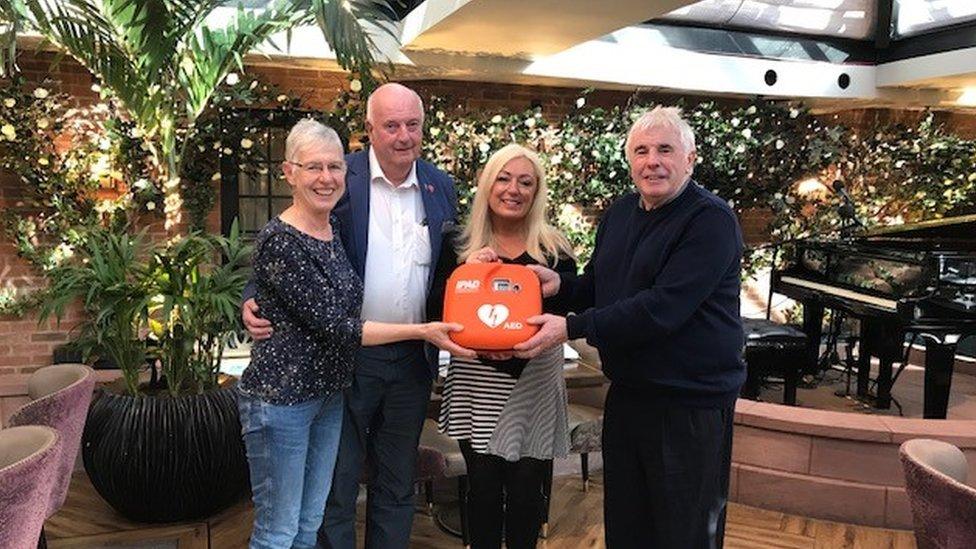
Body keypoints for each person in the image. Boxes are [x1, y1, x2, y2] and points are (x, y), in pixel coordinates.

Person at [242, 83, 463, 549]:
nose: (403, 136)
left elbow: (449, 265)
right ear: (369, 130)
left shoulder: (440, 186)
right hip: (347, 358)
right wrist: (252, 296)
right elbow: (293, 236)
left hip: (411, 362)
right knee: (336, 485)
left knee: (397, 481)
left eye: (412, 125)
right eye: (391, 125)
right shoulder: (340, 175)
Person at [514, 106, 745, 548]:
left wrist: (571, 326)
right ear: (629, 160)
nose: (652, 161)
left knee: (684, 532)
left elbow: (662, 309)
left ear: (690, 158)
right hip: (630, 396)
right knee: (628, 525)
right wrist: (560, 284)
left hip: (689, 405)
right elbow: (604, 284)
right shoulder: (621, 213)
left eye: (664, 150)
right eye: (641, 151)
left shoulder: (709, 221)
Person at [431, 143, 577, 549]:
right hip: (476, 380)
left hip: (533, 380)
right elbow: (435, 309)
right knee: (481, 486)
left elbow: (566, 313)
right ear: (487, 184)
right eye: (504, 178)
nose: (513, 189)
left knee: (529, 489)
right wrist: (464, 275)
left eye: (525, 182)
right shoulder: (458, 244)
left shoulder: (555, 250)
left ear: (537, 191)